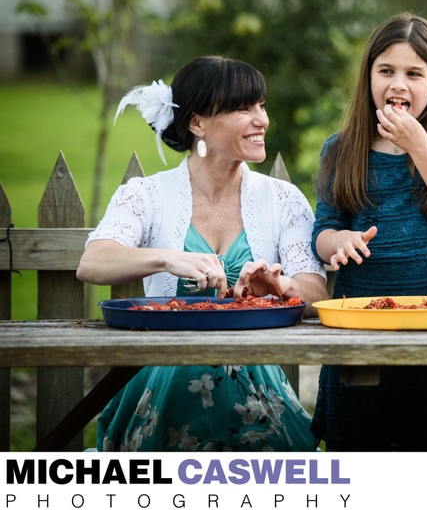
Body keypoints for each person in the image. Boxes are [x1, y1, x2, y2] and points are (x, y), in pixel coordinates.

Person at [76, 55, 329, 451]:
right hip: (163, 385)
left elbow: (316, 294)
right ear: (197, 123)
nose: (261, 119)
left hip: (256, 393)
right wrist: (167, 258)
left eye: (261, 106)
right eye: (244, 108)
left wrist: (281, 285)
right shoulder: (146, 195)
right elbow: (92, 262)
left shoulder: (283, 200)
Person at [310, 12, 427, 451]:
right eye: (386, 71)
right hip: (362, 324)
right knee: (362, 444)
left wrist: (419, 146)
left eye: (414, 73)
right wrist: (340, 243)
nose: (399, 85)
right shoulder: (342, 147)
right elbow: (323, 231)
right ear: (368, 75)